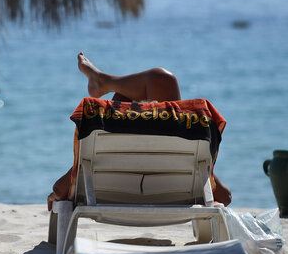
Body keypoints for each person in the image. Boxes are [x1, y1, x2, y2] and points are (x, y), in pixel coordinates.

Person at [47, 52, 232, 210]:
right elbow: (225, 198)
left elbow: (60, 189)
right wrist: (204, 168)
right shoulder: (184, 156)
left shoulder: (101, 151)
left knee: (152, 83)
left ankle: (104, 82)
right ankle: (104, 81)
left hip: (111, 199)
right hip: (174, 198)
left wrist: (56, 194)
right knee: (162, 79)